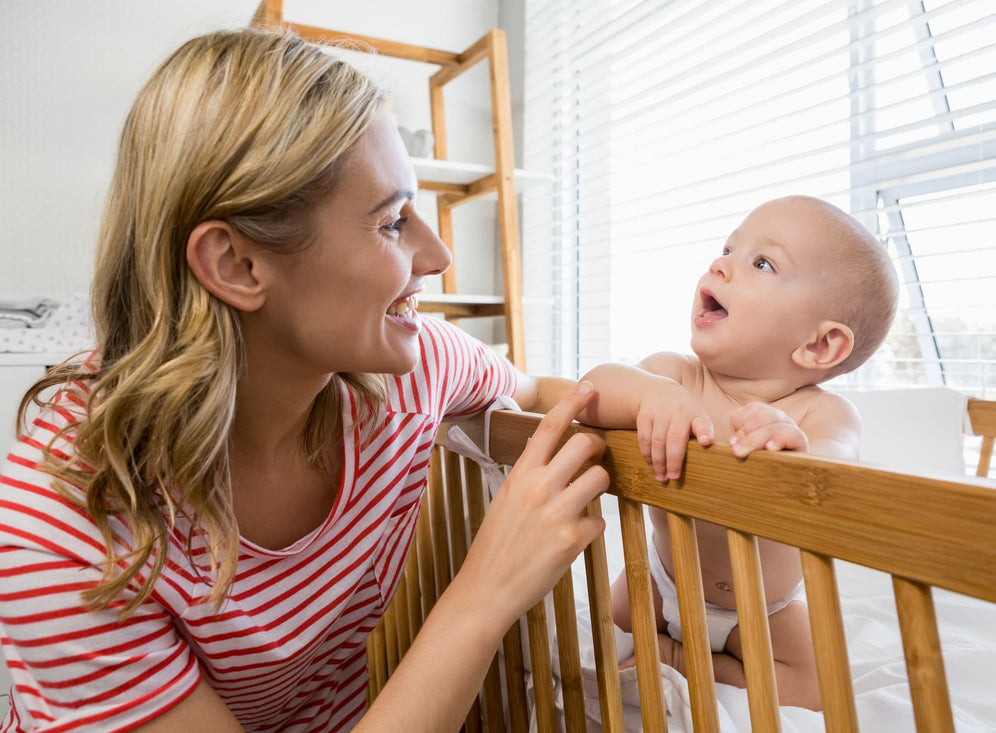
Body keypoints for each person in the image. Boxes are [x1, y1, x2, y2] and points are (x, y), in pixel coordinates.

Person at [0, 28, 610, 732]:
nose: (439, 255)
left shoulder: (410, 371)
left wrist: (670, 391)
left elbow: (535, 394)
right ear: (237, 265)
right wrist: (486, 591)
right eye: (391, 222)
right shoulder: (62, 526)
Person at [576, 195, 899, 710]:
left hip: (763, 610)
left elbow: (835, 472)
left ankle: (680, 658)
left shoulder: (823, 415)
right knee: (590, 653)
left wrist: (798, 451)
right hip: (657, 581)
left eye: (762, 263)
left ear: (819, 347)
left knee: (819, 694)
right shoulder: (673, 376)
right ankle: (661, 646)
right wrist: (646, 395)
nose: (720, 264)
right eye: (728, 248)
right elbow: (589, 392)